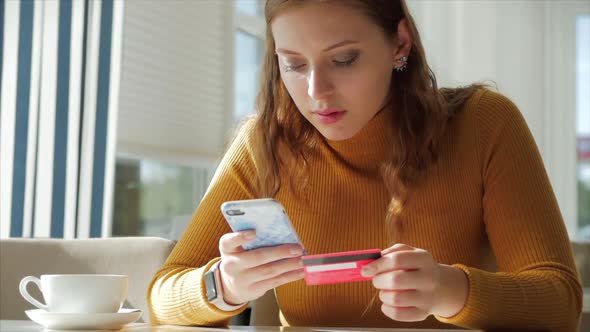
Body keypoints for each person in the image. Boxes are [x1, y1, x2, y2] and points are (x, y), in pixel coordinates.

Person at [147, 0, 582, 330]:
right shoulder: (265, 142)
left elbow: (560, 301)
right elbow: (162, 295)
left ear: (400, 42)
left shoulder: (484, 123)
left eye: (343, 60)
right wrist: (223, 286)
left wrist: (449, 290)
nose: (317, 91)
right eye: (294, 64)